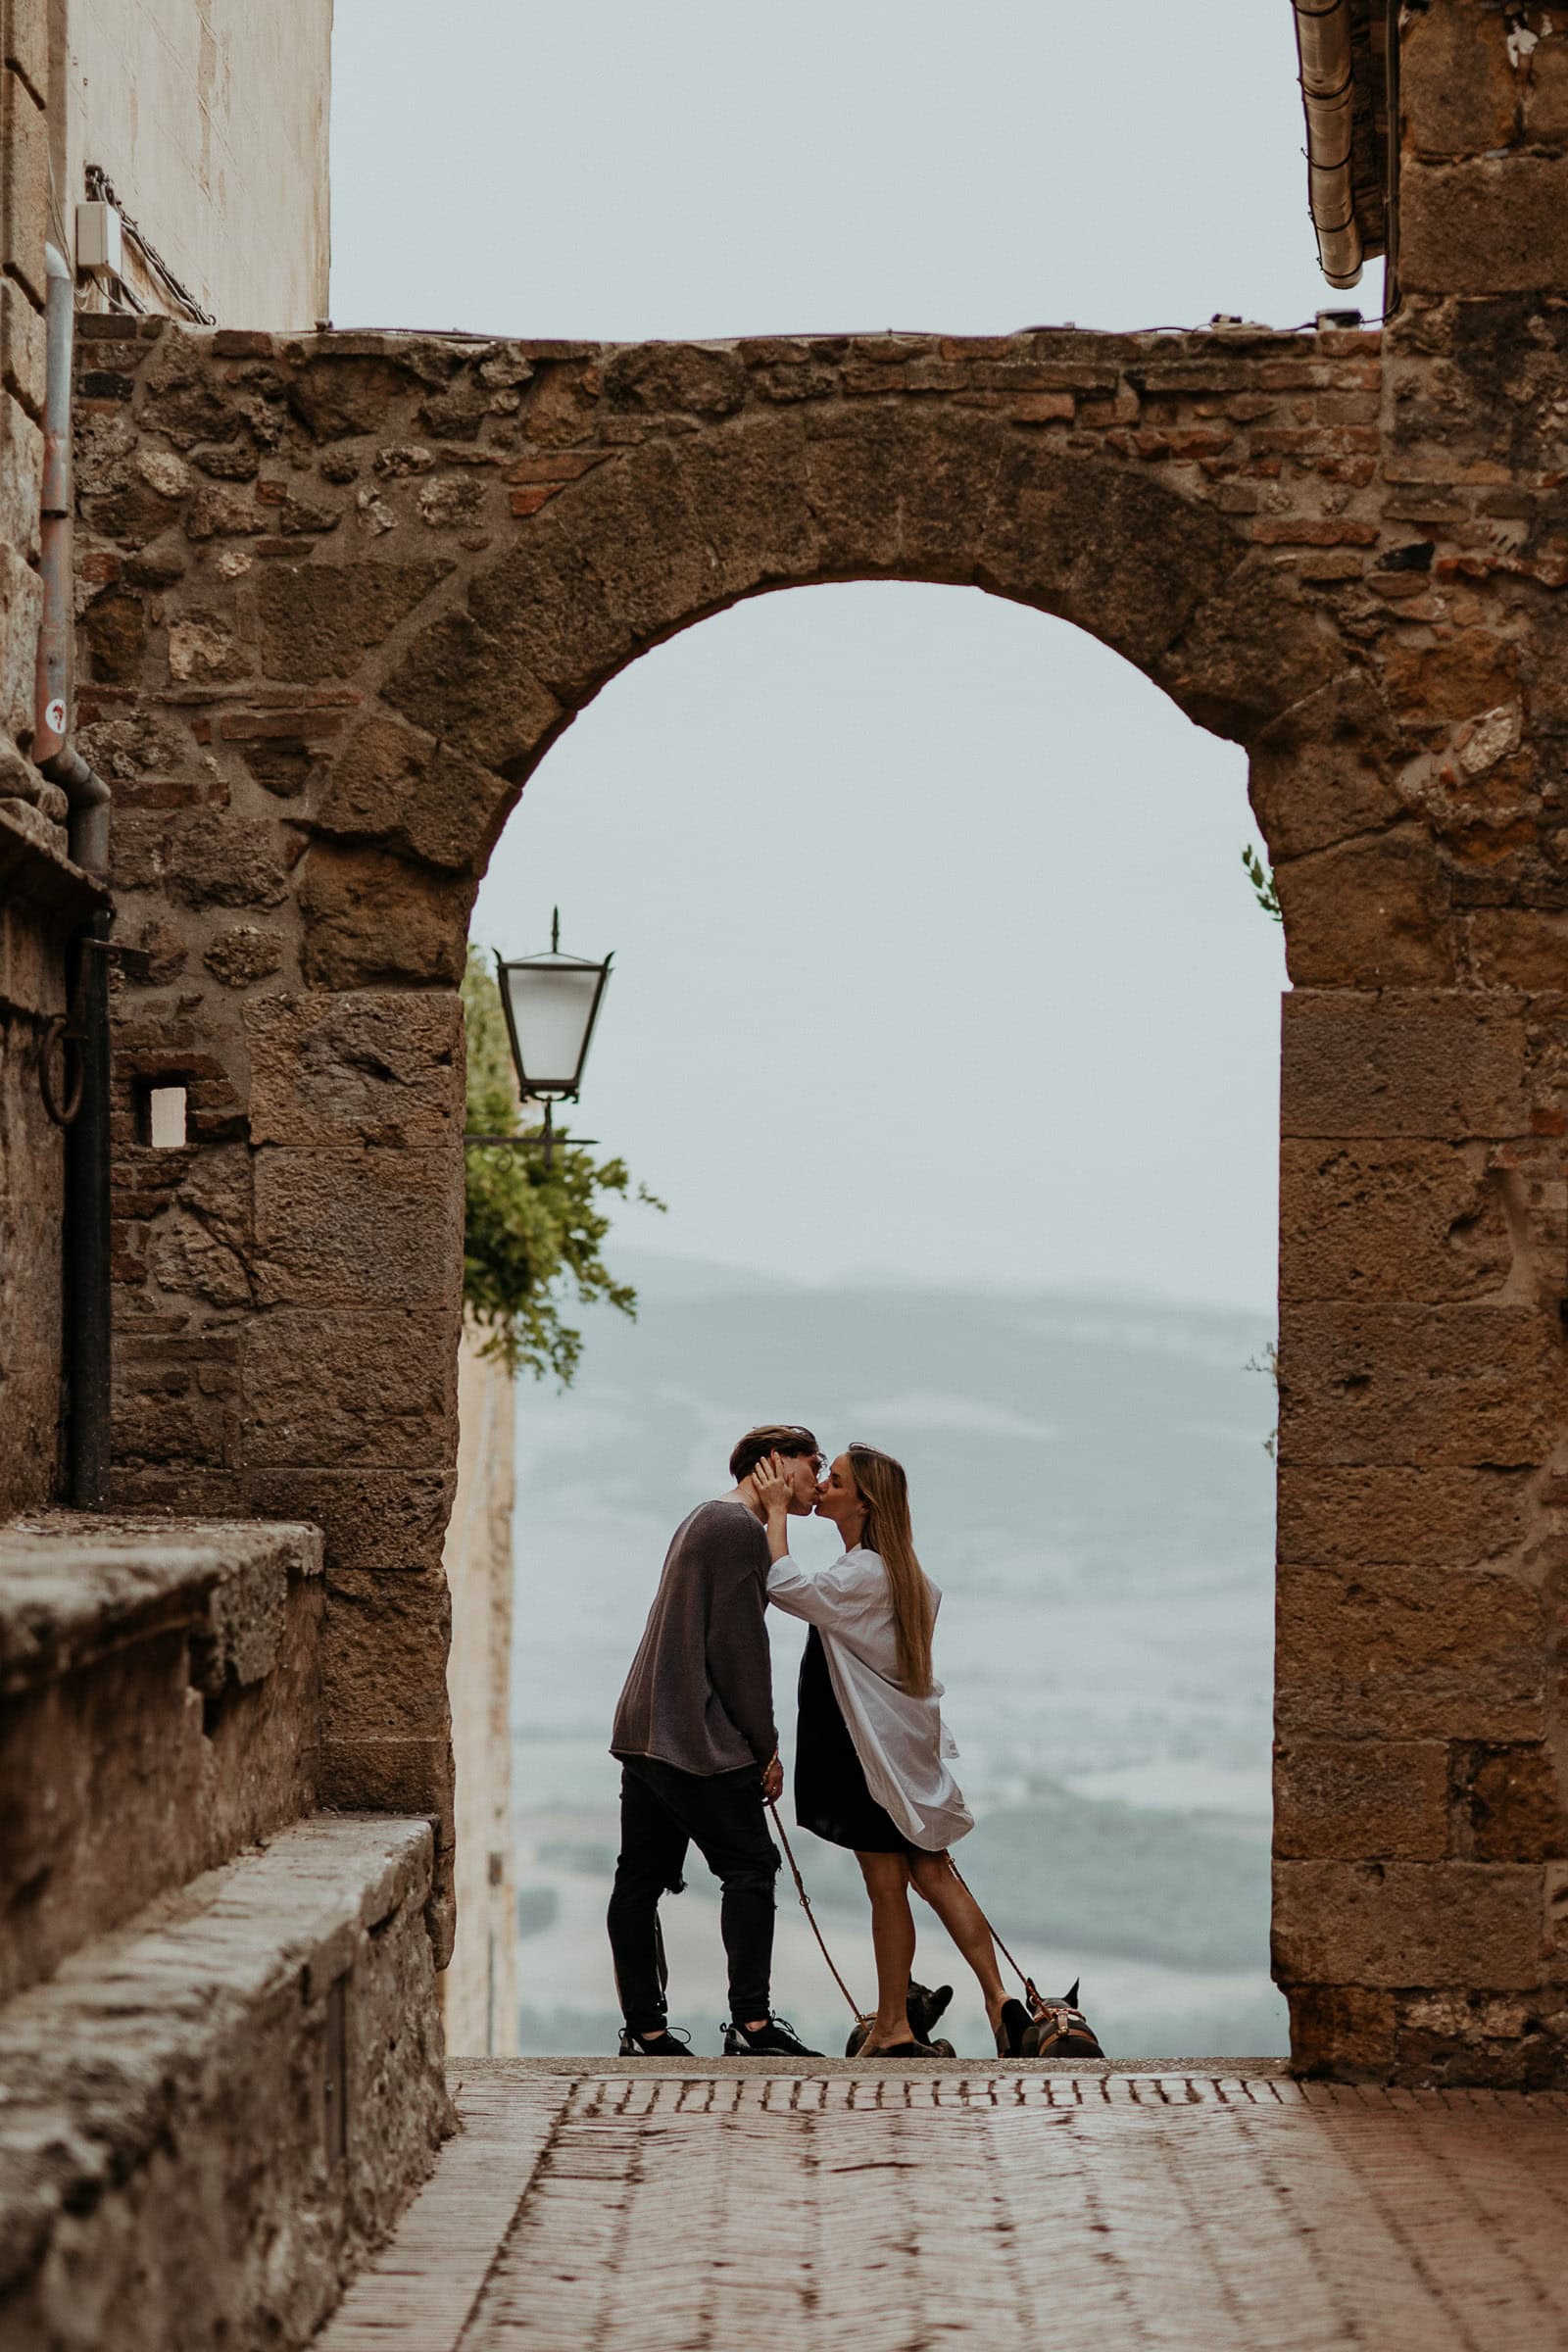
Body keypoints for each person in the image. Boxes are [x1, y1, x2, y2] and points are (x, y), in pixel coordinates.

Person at [756, 1443, 1032, 2058]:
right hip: (901, 1750)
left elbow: (787, 1587)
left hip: (866, 1752)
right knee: (932, 1873)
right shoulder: (908, 1579)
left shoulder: (863, 1573)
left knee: (886, 1888)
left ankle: (892, 2028)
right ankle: (1000, 2002)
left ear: (863, 1501)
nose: (824, 1482)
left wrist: (776, 1512)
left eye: (838, 1478)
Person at [607, 1423, 825, 2057]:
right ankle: (752, 2027)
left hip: (647, 1728)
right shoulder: (738, 1531)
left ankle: (646, 2032)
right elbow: (739, 1653)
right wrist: (765, 1747)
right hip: (692, 1734)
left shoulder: (706, 1517)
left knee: (639, 1879)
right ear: (775, 1463)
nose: (821, 1478)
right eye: (813, 1464)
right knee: (752, 1867)